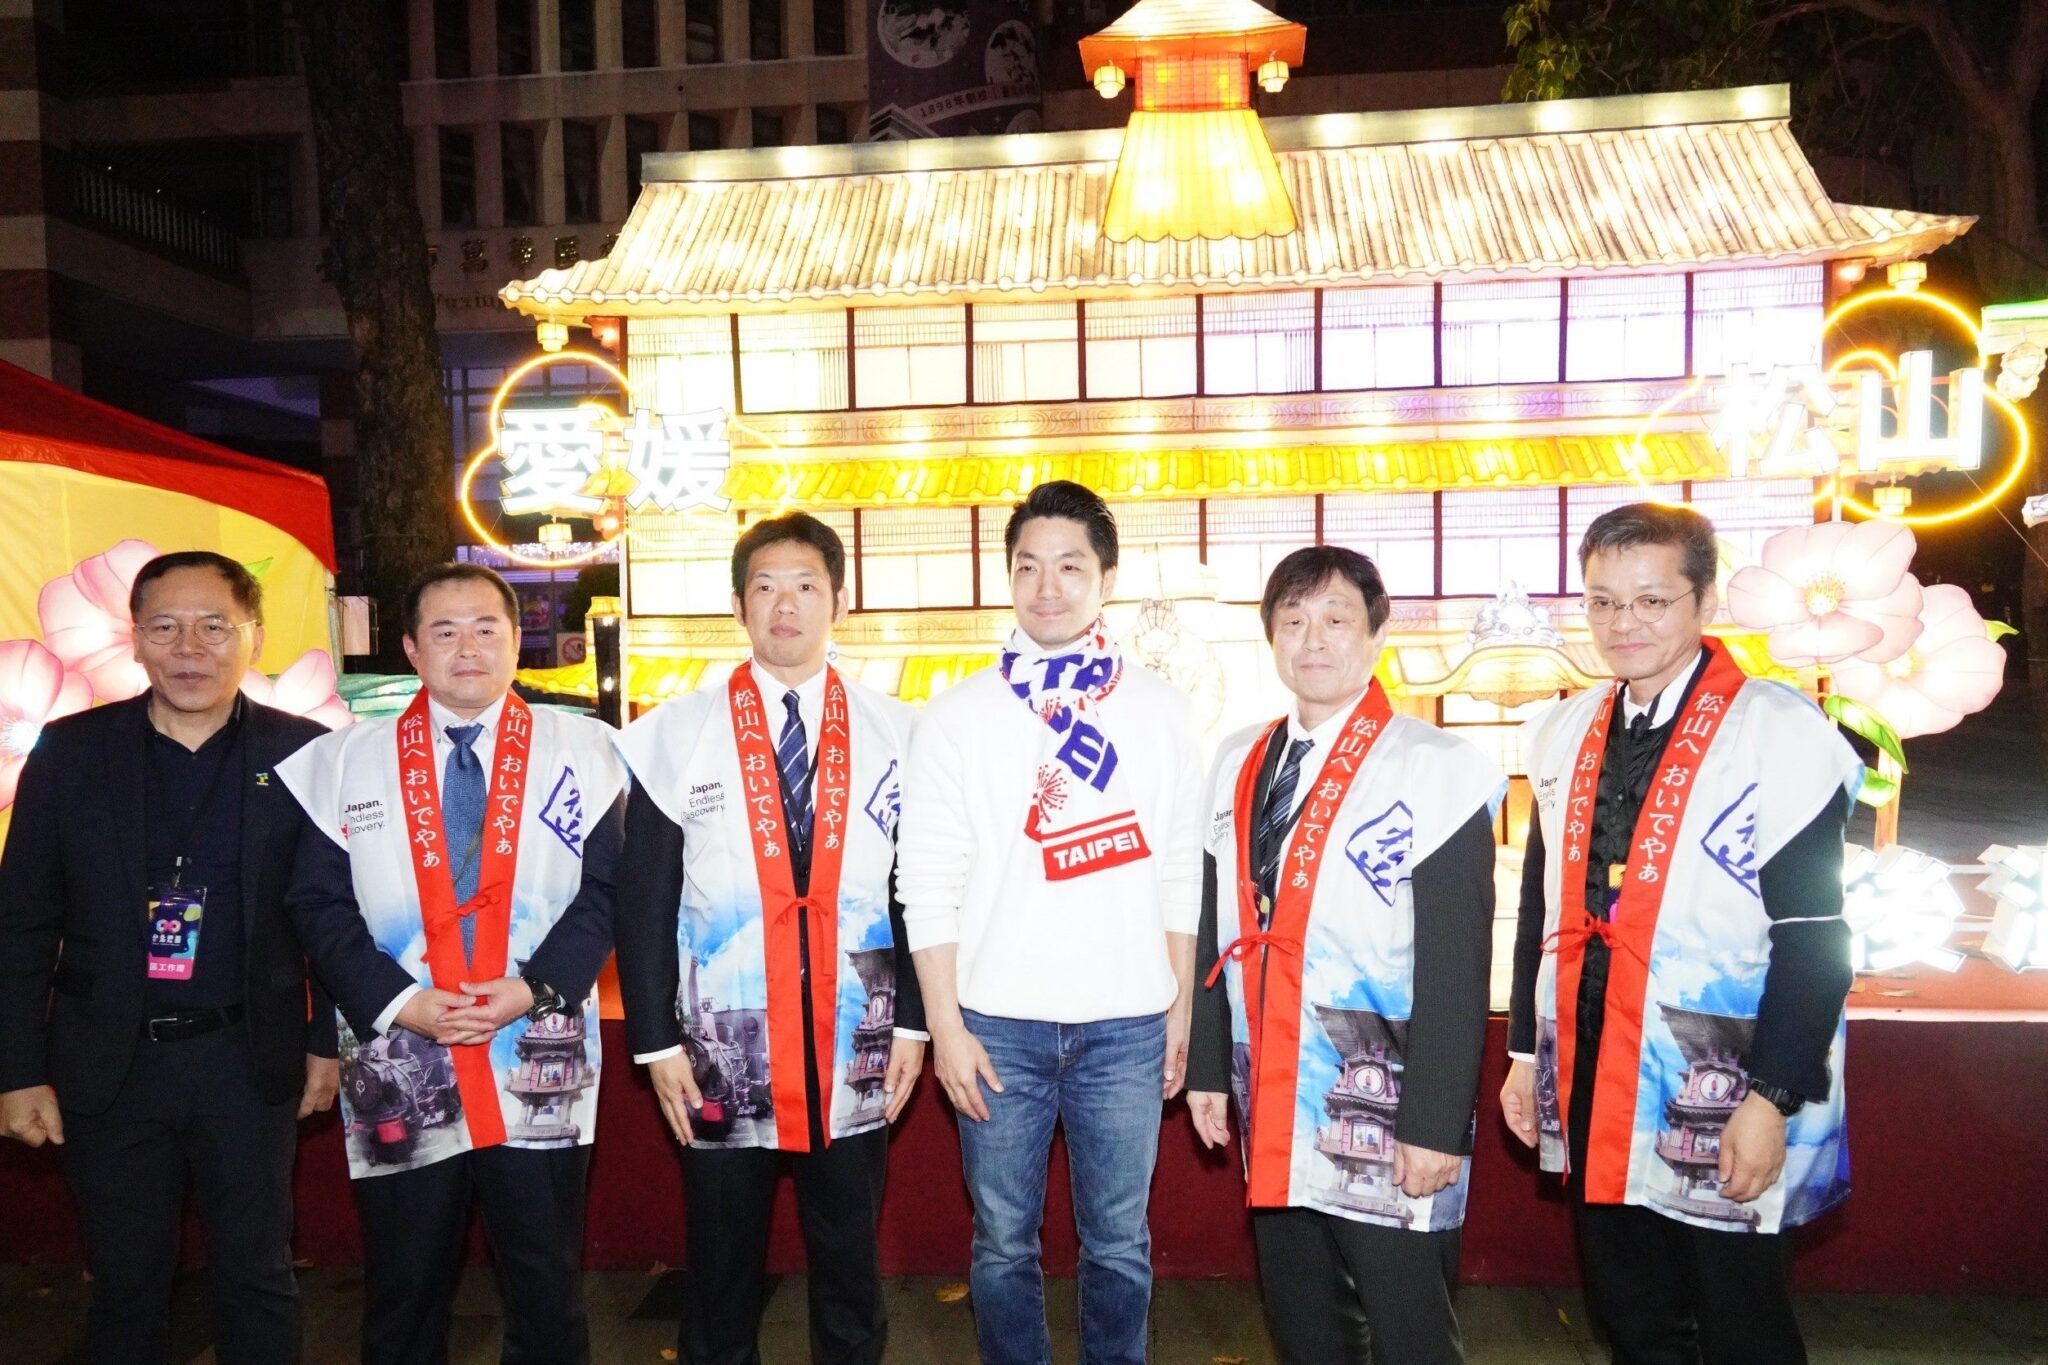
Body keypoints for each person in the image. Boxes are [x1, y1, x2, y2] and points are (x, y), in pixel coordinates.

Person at [1501, 503, 1859, 1365]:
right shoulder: (1564, 729)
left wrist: (1771, 1098)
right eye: (1602, 602)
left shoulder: (1776, 730)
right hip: (1594, 1067)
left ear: (1703, 600)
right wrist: (1522, 1052)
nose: (1623, 623)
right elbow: (1542, 909)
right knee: (1632, 1315)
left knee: (1742, 1321)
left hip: (1725, 1077)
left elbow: (1816, 934)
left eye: (1652, 600)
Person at [278, 563, 627, 1365]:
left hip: (535, 1046)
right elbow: (315, 902)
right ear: (410, 647)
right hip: (401, 1052)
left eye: (485, 628)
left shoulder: (589, 749)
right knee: (404, 1288)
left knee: (546, 1286)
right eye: (444, 630)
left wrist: (533, 987)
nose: (467, 647)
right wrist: (399, 1001)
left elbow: (609, 890)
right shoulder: (345, 761)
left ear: (516, 640)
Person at [0, 549, 339, 1364]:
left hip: (246, 1058)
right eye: (166, 627)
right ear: (136, 638)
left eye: (215, 625)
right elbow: (21, 922)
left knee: (258, 1279)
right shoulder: (70, 751)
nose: (191, 647)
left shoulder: (307, 753)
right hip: (109, 1062)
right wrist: (16, 1070)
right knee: (125, 1286)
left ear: (254, 636)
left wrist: (325, 1039)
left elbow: (331, 914)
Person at [898, 479, 1204, 1365]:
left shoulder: (1160, 708)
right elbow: (926, 881)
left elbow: (1179, 868)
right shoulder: (956, 716)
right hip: (996, 1026)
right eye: (1028, 566)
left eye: (1070, 566)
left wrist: (1179, 1007)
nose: (1047, 586)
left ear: (1106, 578)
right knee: (1002, 1243)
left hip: (1127, 1024)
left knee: (1120, 1243)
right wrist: (946, 1027)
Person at [613, 511, 926, 1365]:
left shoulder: (900, 731)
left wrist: (913, 1021)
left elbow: (918, 891)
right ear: (738, 605)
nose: (786, 605)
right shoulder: (676, 733)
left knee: (850, 1259)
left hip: (855, 1035)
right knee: (719, 1265)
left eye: (806, 586)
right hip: (719, 1045)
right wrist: (654, 1042)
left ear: (840, 601)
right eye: (765, 587)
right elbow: (644, 899)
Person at [1185, 546, 1502, 1365]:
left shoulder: (1438, 766)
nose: (1313, 638)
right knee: (1305, 1322)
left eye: (1336, 618)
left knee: (1410, 1329)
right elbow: (1219, 916)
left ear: (1377, 633)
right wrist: (1210, 1067)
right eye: (1293, 621)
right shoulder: (1237, 757)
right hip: (1273, 1088)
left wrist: (1435, 1125)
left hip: (1389, 1105)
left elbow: (1457, 965)